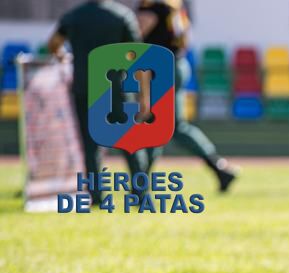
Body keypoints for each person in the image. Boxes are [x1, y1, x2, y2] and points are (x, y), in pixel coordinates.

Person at [47, 0, 150, 206]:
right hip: (116, 89)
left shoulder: (73, 16)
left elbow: (53, 43)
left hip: (84, 88)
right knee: (131, 142)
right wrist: (144, 95)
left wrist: (61, 56)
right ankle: (140, 195)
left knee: (89, 145)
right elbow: (138, 57)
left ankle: (95, 197)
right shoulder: (122, 16)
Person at [136, 0, 238, 192]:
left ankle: (140, 182)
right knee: (172, 126)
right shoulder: (172, 5)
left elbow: (136, 37)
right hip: (176, 64)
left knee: (155, 125)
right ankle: (219, 168)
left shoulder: (152, 7)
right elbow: (184, 39)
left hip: (162, 68)